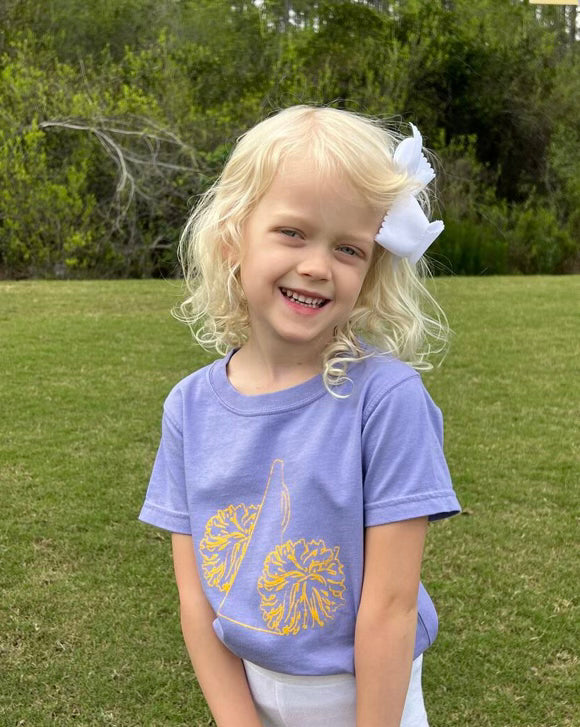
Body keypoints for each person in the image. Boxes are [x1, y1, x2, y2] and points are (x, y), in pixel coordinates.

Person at [139, 105, 461, 727]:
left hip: (370, 700)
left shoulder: (386, 400)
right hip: (249, 694)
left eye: (348, 248)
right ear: (234, 237)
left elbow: (390, 608)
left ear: (370, 270)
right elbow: (194, 594)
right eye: (292, 232)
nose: (317, 265)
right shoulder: (188, 407)